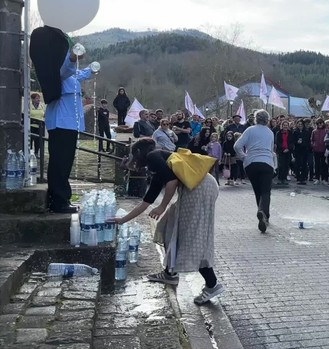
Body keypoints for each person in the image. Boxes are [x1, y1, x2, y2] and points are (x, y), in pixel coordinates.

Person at [112, 138, 224, 304]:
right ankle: (169, 273)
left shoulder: (153, 156)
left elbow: (172, 183)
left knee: (193, 237)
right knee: (168, 227)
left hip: (199, 190)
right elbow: (146, 202)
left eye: (131, 155)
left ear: (137, 152)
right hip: (200, 187)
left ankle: (212, 284)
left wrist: (162, 206)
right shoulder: (159, 163)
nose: (131, 159)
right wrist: (122, 220)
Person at [29, 27, 96, 214]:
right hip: (62, 121)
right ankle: (59, 201)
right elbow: (65, 70)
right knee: (60, 162)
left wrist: (90, 70)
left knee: (63, 162)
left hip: (67, 122)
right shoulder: (58, 71)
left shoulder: (69, 73)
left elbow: (77, 74)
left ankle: (59, 198)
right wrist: (72, 59)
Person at [234, 110, 276, 234]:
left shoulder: (250, 130)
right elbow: (271, 149)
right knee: (266, 191)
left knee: (257, 190)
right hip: (267, 162)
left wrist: (243, 156)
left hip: (251, 163)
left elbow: (237, 146)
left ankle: (262, 213)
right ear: (267, 120)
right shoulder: (270, 132)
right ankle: (264, 214)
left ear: (256, 119)